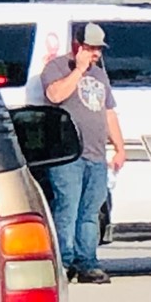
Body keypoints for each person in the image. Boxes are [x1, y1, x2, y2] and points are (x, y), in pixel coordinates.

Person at [41, 22, 127, 284]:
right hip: (68, 156)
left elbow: (108, 112)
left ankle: (87, 262)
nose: (96, 55)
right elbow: (55, 96)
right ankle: (63, 263)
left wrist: (120, 148)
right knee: (67, 207)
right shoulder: (56, 68)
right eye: (91, 49)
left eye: (98, 50)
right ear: (77, 46)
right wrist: (78, 70)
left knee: (90, 211)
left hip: (96, 156)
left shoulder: (100, 74)